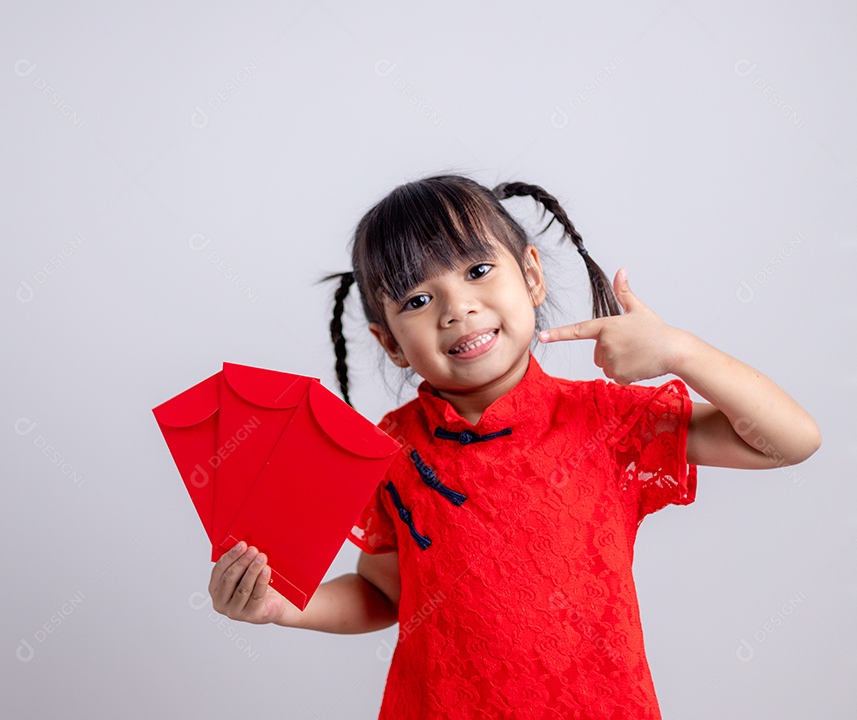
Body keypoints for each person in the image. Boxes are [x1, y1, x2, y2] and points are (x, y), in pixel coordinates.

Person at [206, 174, 821, 719]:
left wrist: (682, 354)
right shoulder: (387, 451)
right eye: (417, 300)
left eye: (477, 271)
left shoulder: (605, 420)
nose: (457, 308)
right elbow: (384, 594)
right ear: (389, 341)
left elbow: (789, 442)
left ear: (530, 275)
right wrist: (286, 607)